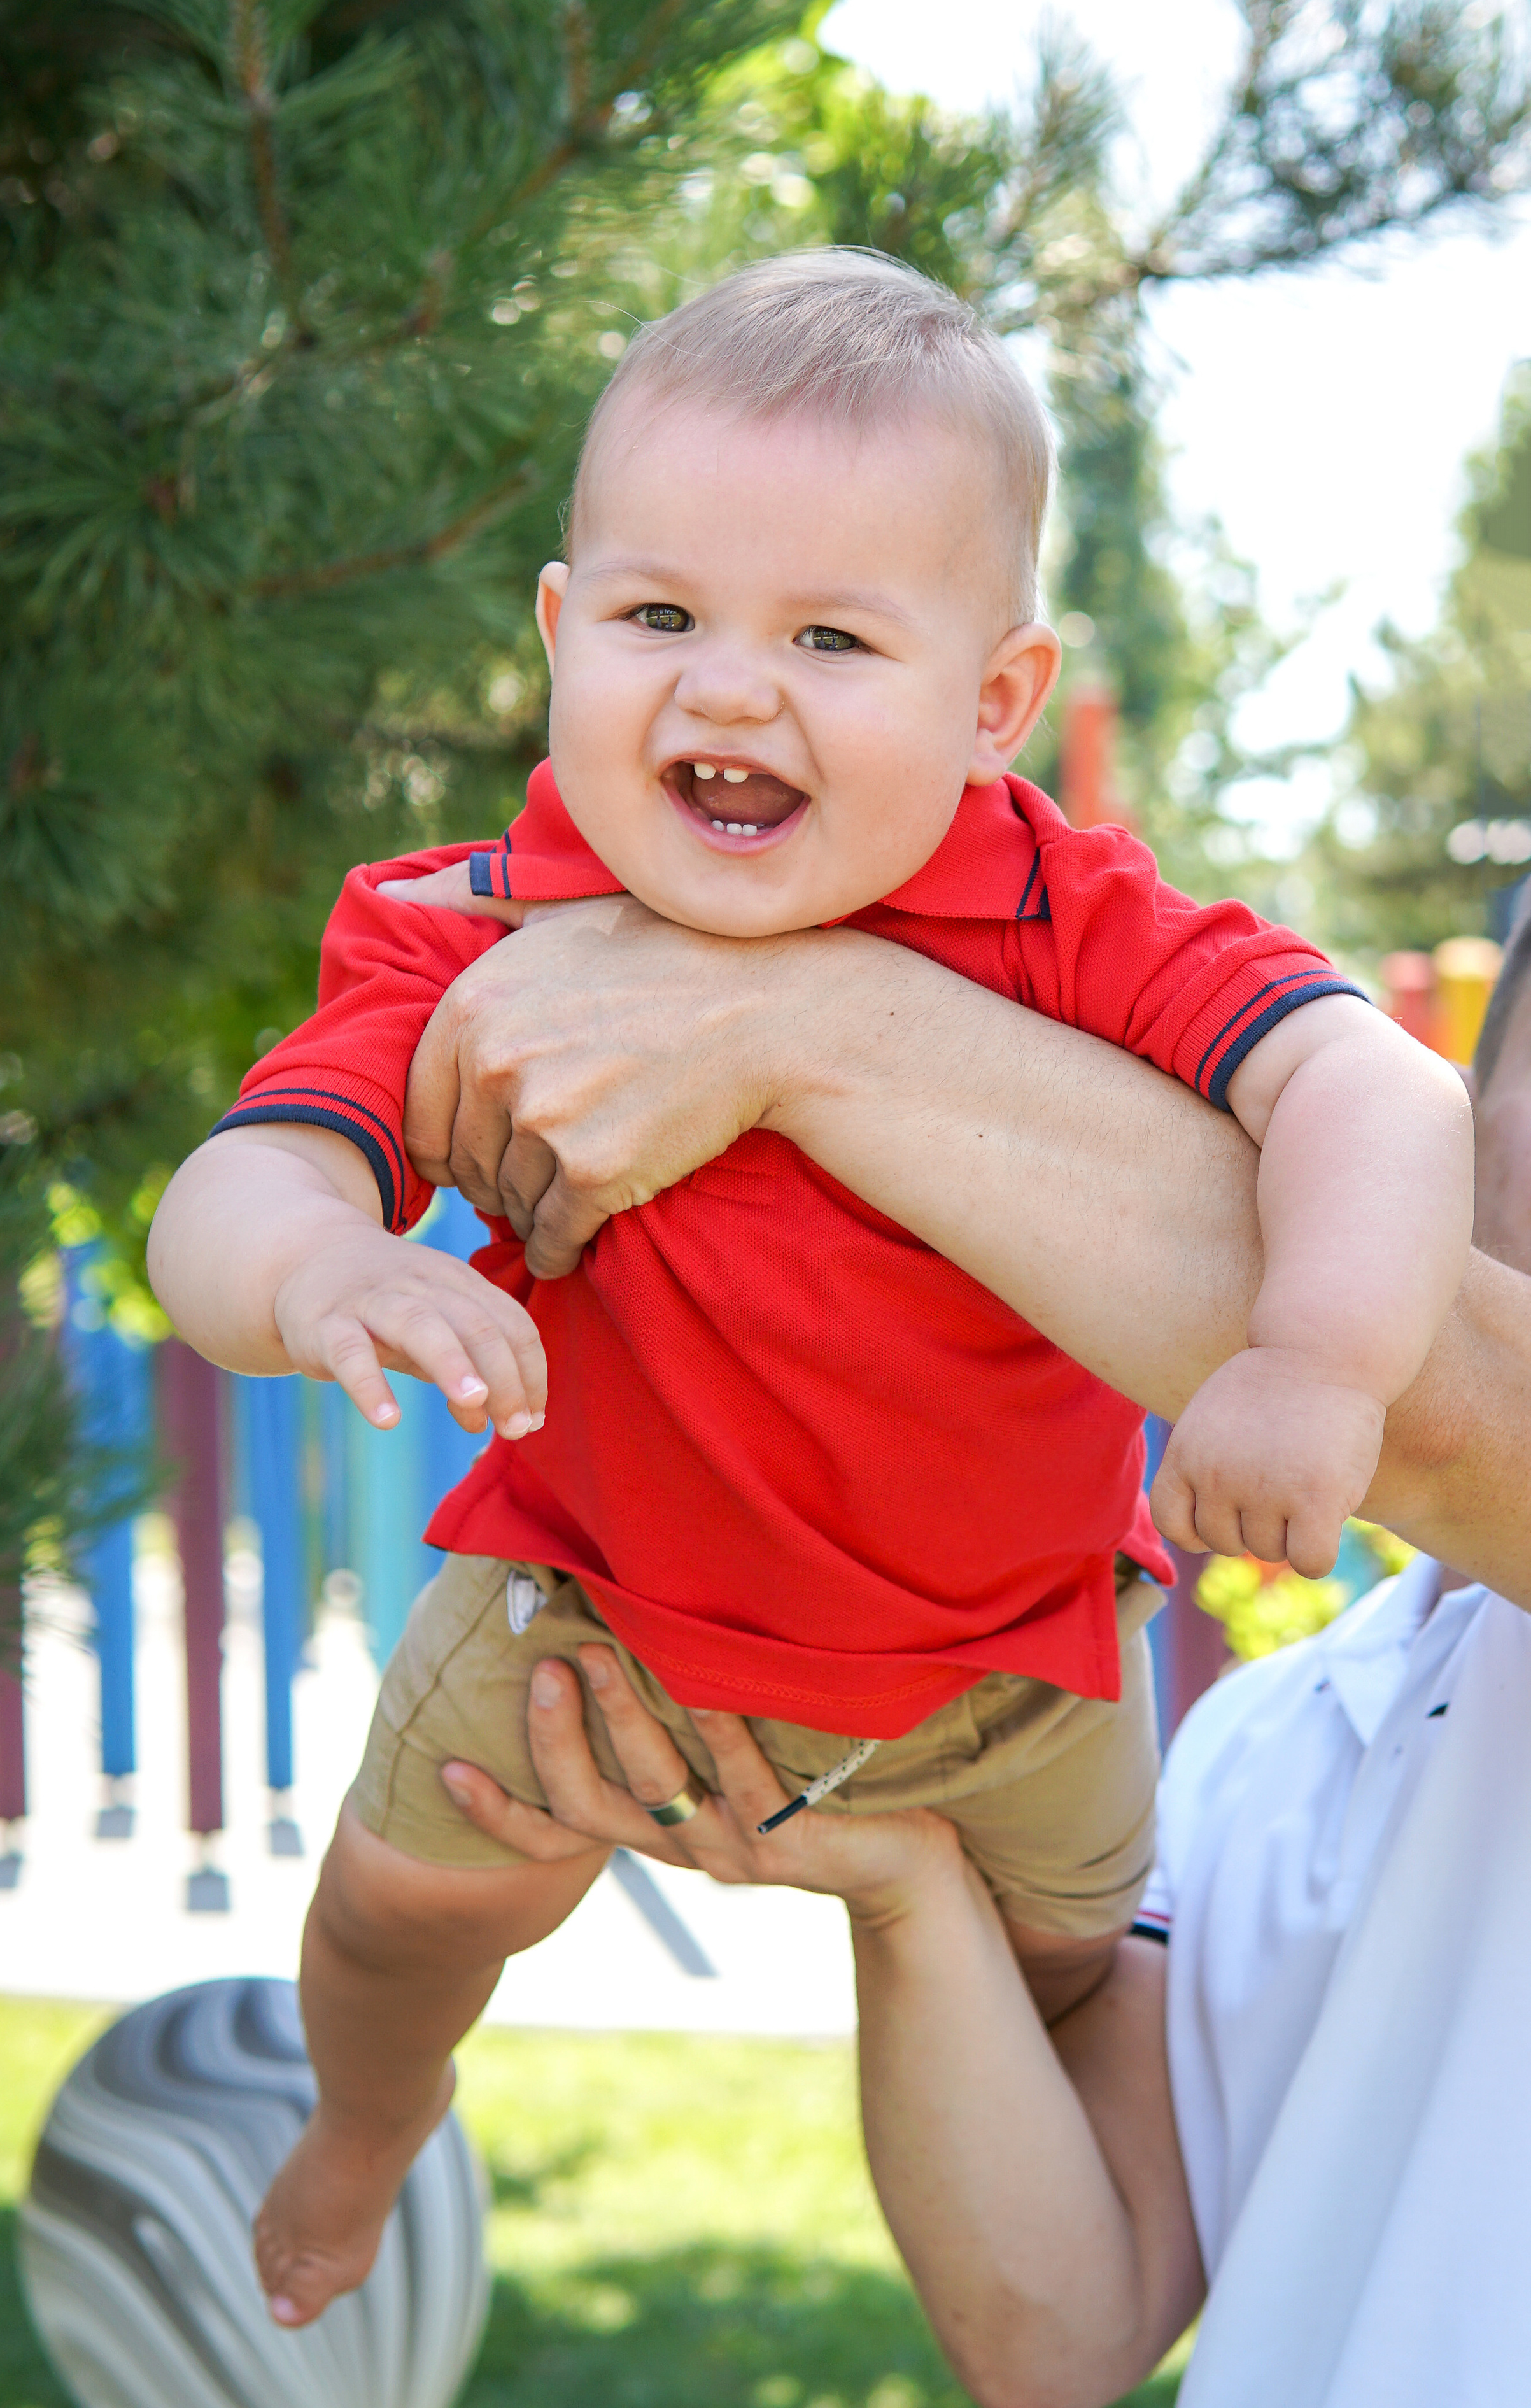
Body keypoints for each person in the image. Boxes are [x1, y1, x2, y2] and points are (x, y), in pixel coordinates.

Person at [148, 251, 1472, 2327]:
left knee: (1076, 1986)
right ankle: (367, 2121)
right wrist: (317, 1257)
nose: (731, 689)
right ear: (566, 636)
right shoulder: (484, 926)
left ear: (993, 702)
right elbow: (236, 1185)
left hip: (1011, 1679)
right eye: (664, 617)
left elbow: (1371, 1087)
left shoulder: (1060, 916)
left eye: (833, 637)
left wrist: (1317, 1358)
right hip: (586, 1618)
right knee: (405, 1912)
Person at [423, 909, 1531, 2408]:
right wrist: (910, 1884)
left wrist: (788, 1013)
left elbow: (1441, 1401)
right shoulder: (1282, 1731)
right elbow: (1060, 2336)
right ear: (1483, 1104)